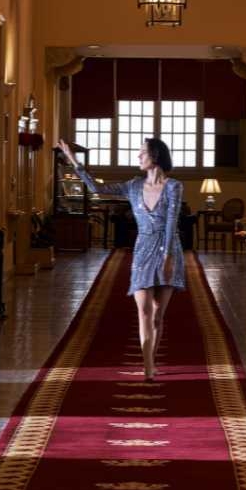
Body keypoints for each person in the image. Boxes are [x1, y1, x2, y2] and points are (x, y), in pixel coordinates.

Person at [57, 137, 184, 379]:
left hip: (168, 250)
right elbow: (97, 188)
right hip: (143, 250)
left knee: (158, 315)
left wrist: (168, 256)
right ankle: (148, 368)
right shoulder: (132, 186)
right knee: (144, 311)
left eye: (142, 152)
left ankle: (152, 361)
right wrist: (72, 159)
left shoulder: (174, 186)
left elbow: (171, 222)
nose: (138, 156)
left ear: (155, 156)